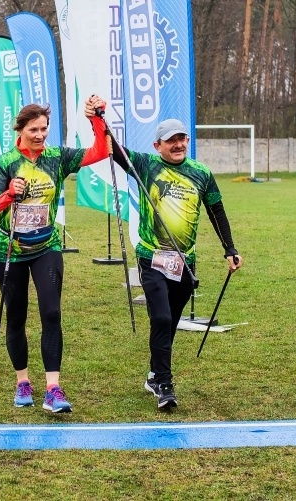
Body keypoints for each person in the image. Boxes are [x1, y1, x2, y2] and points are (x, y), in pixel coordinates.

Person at [84, 94, 243, 410]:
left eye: (182, 138)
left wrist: (230, 248)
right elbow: (113, 150)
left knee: (169, 322)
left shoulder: (201, 173)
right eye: (171, 140)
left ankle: (155, 373)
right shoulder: (145, 164)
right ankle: (165, 386)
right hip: (152, 257)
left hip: (185, 262)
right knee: (160, 315)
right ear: (158, 145)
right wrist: (97, 119)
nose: (179, 144)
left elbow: (216, 210)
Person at [0, 102, 108, 413]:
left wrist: (95, 119)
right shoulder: (7, 162)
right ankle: (22, 381)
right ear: (21, 131)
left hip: (47, 247)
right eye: (33, 130)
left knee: (51, 313)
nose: (40, 135)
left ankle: (53, 388)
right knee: (17, 315)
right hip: (10, 249)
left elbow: (100, 152)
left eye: (43, 129)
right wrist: (9, 194)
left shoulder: (57, 157)